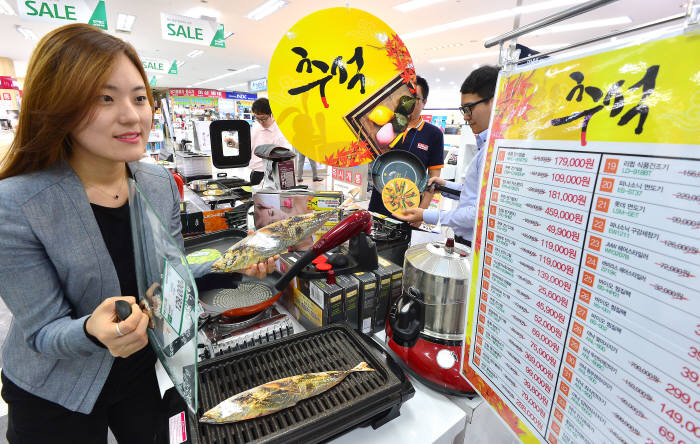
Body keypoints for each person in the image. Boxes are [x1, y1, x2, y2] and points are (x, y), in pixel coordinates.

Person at [0, 24, 274, 443]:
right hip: (58, 389)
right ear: (58, 105)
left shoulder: (157, 181)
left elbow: (169, 275)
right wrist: (91, 329)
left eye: (140, 97)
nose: (132, 115)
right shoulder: (17, 203)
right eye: (104, 98)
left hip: (142, 370)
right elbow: (41, 332)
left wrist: (234, 264)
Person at [393, 66, 499, 247]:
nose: (466, 117)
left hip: (475, 242)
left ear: (494, 101)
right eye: (463, 109)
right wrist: (446, 185)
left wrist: (425, 214)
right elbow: (474, 195)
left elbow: (480, 212)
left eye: (469, 108)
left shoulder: (496, 153)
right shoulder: (486, 146)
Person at [367, 76, 444, 222]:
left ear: (424, 102)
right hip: (378, 202)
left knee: (404, 244)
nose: (407, 103)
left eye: (414, 99)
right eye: (405, 97)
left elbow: (433, 180)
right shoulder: (385, 125)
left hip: (409, 208)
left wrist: (421, 214)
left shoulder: (433, 134)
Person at [250, 97, 291, 186]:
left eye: (264, 118)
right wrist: (236, 145)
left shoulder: (280, 133)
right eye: (257, 118)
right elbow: (250, 146)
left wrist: (269, 180)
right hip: (255, 172)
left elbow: (285, 160)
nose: (261, 122)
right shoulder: (256, 126)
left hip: (272, 174)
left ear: (272, 114)